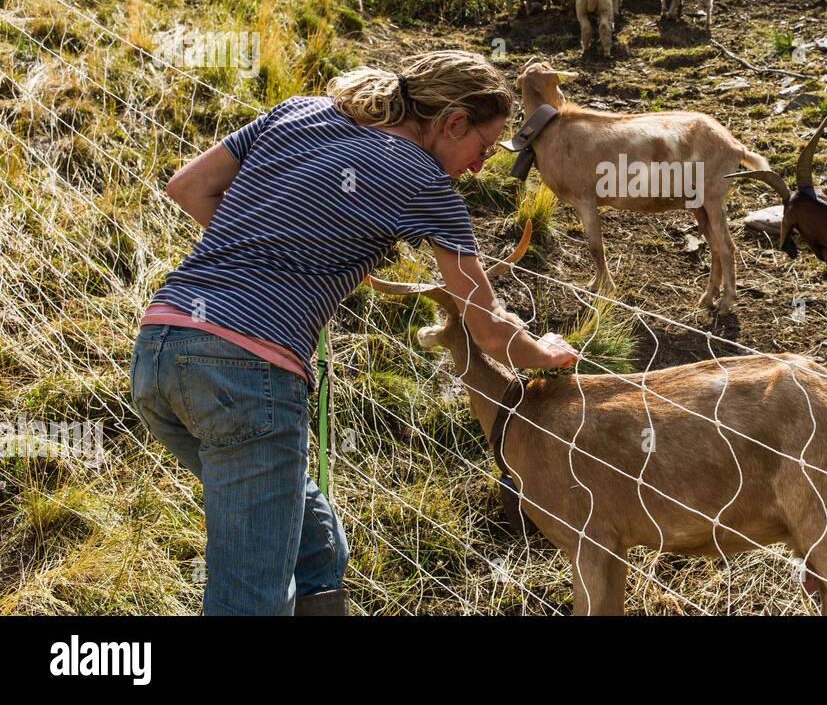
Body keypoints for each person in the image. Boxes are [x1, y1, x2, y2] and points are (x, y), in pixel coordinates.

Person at [129, 50, 579, 616]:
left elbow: (189, 186)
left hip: (160, 351)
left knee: (315, 550)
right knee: (250, 596)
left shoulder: (300, 112)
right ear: (453, 123)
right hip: (246, 375)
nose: (479, 166)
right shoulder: (425, 183)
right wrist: (543, 351)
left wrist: (288, 242)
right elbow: (488, 328)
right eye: (482, 149)